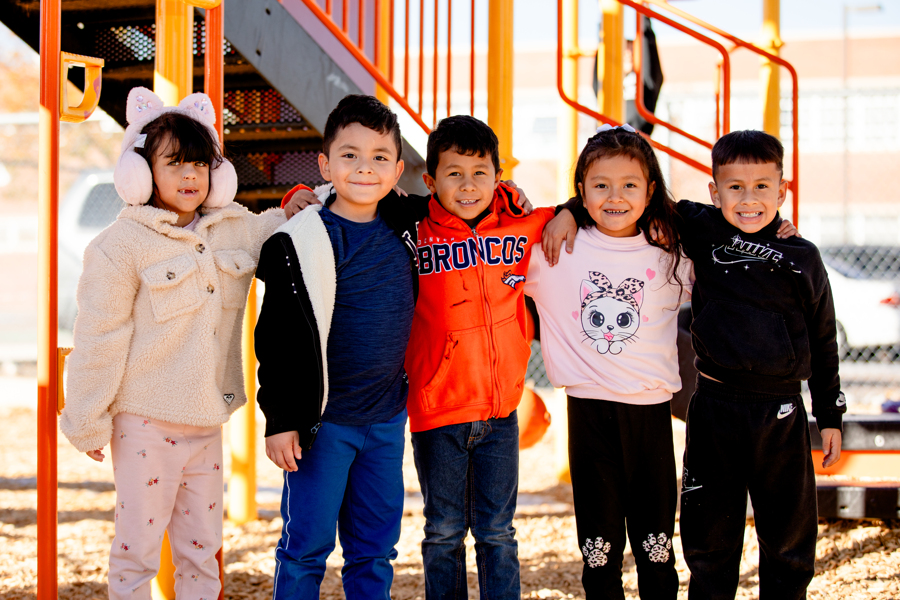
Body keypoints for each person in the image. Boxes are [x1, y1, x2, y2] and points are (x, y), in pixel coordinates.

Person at [59, 87, 287, 600]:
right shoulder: (119, 247)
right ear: (140, 173)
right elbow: (99, 335)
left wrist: (307, 204)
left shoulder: (229, 229)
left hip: (206, 421)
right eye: (175, 164)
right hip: (144, 422)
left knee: (202, 550)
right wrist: (87, 416)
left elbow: (273, 228)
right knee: (137, 548)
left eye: (201, 165)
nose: (190, 176)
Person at [254, 94, 423, 599]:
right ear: (325, 164)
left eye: (379, 158)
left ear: (397, 170)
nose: (364, 168)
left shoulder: (409, 226)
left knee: (374, 550)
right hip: (321, 424)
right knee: (306, 547)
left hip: (386, 420)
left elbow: (471, 198)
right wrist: (281, 418)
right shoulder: (299, 240)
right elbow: (277, 338)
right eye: (349, 155)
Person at [525, 123, 691, 599]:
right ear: (581, 191)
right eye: (600, 186)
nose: (614, 196)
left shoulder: (672, 253)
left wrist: (780, 232)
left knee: (656, 548)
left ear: (650, 190)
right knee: (599, 550)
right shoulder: (556, 248)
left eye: (629, 185)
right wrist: (563, 214)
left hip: (652, 416)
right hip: (590, 414)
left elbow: (727, 250)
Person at [677, 130, 844, 599]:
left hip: (781, 412)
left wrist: (829, 415)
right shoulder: (702, 228)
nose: (748, 199)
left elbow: (824, 338)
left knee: (789, 542)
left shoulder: (802, 257)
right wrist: (568, 211)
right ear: (714, 192)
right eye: (734, 187)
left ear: (782, 190)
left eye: (762, 187)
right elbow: (634, 186)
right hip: (714, 408)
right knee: (709, 540)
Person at [404, 115, 564, 600]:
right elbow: (345, 202)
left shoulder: (521, 223)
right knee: (444, 532)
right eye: (454, 173)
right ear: (431, 180)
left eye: (480, 172)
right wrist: (295, 198)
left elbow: (581, 207)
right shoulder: (411, 226)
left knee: (498, 533)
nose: (468, 185)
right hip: (437, 412)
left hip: (500, 412)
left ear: (499, 176)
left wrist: (572, 212)